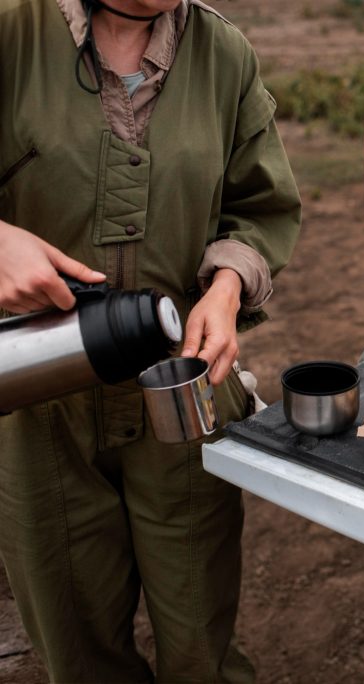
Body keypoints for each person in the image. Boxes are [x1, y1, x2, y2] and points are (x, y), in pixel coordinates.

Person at [0, 0, 301, 680]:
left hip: (183, 399)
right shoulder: (11, 31)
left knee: (200, 640)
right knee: (77, 647)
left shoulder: (226, 56)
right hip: (39, 405)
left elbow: (260, 209)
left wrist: (226, 287)